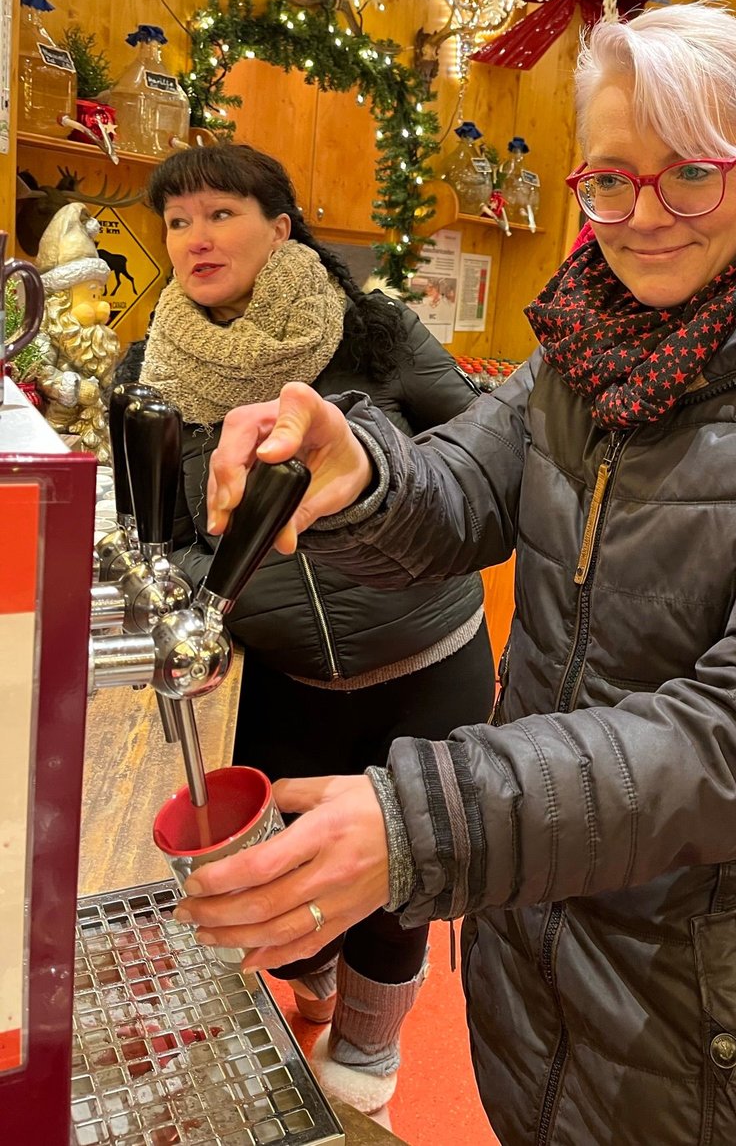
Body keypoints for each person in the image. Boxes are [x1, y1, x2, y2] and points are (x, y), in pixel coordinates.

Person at [174, 5, 736, 1146]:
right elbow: (462, 494)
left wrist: (426, 822)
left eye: (687, 175)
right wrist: (361, 475)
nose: (640, 220)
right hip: (537, 932)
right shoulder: (585, 344)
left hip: (707, 986)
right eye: (608, 180)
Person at [138, 143, 495, 1124]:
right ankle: (319, 976)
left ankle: (368, 1063)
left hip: (427, 658)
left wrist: (365, 458)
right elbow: (157, 532)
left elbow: (474, 449)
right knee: (285, 871)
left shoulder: (371, 330)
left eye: (221, 213)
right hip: (279, 679)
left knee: (405, 867)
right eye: (177, 221)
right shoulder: (153, 372)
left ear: (282, 229)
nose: (196, 237)